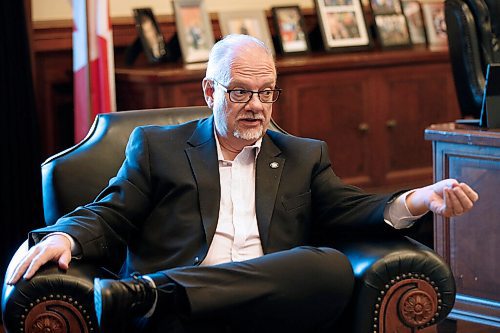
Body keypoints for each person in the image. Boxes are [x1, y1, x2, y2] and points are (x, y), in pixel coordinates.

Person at [8, 34, 478, 332]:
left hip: (268, 302)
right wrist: (64, 235)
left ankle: (156, 290)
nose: (256, 105)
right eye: (240, 92)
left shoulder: (302, 155)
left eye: (267, 92)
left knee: (330, 266)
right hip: (179, 320)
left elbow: (352, 210)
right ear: (210, 91)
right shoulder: (156, 147)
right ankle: (161, 295)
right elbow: (110, 211)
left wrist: (417, 198)